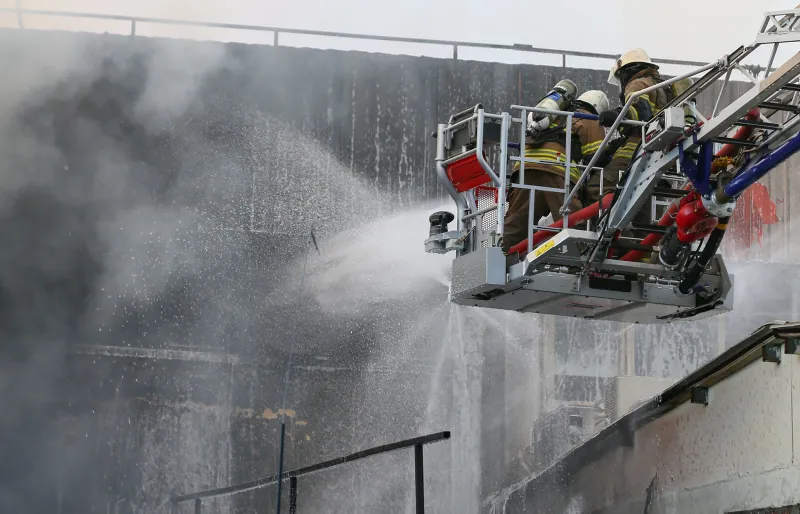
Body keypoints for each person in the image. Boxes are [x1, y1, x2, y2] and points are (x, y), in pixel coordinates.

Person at [501, 90, 608, 256]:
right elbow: (596, 157)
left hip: (525, 167)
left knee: (517, 223)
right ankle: (580, 259)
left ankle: (501, 257)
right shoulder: (590, 118)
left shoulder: (554, 114)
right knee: (572, 220)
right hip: (556, 171)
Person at [594, 48, 669, 199]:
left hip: (636, 149)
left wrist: (617, 116)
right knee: (646, 200)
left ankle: (597, 221)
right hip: (663, 152)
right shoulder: (665, 87)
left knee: (597, 186)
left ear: (628, 71)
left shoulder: (637, 84)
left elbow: (640, 111)